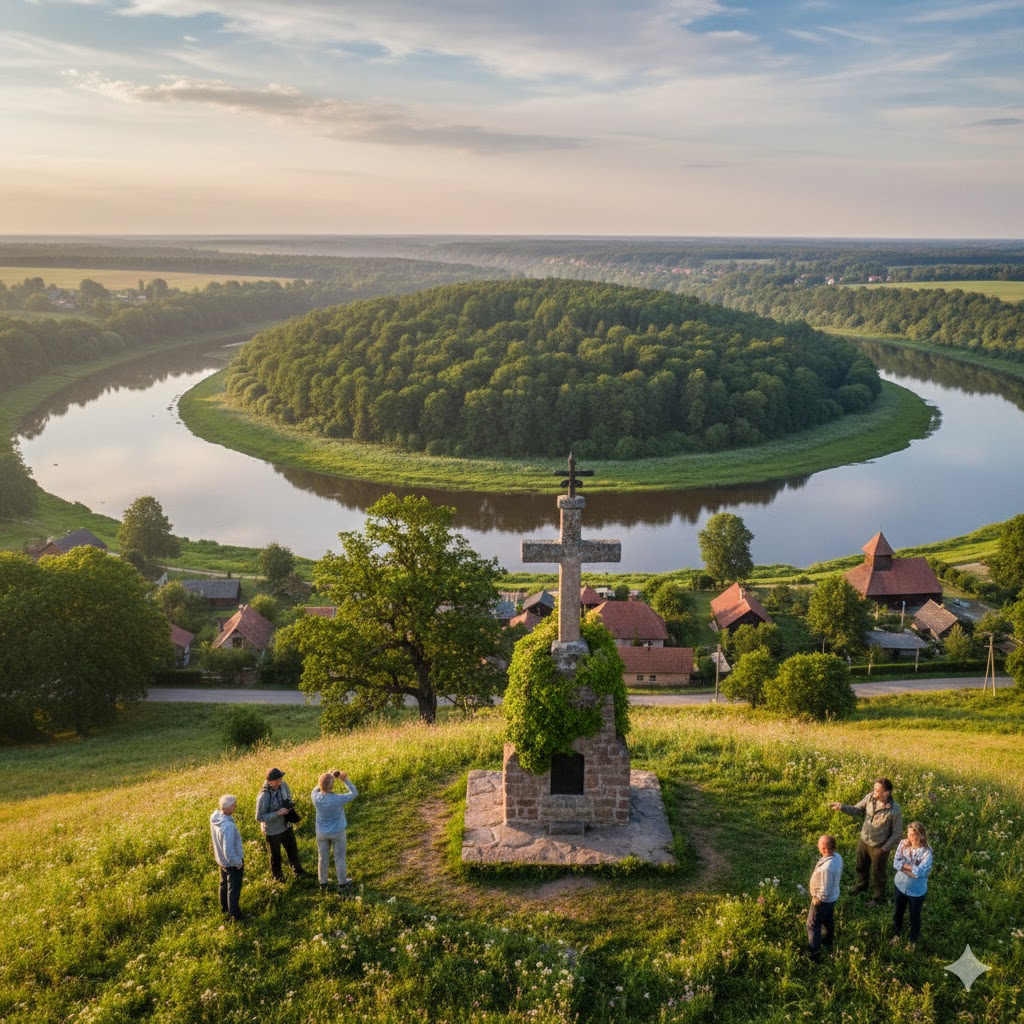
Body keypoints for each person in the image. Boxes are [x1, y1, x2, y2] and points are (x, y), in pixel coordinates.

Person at [830, 777, 902, 906]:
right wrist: (842, 807)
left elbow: (897, 833)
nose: (874, 791)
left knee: (878, 874)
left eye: (877, 790)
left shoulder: (894, 810)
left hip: (880, 846)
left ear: (886, 793)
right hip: (864, 840)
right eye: (874, 788)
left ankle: (878, 898)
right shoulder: (869, 798)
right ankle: (861, 886)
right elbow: (857, 809)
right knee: (861, 866)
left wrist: (886, 848)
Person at [255, 767, 306, 881]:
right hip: (273, 831)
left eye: (280, 779)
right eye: (277, 781)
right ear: (269, 782)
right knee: (275, 856)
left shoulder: (284, 786)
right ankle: (278, 878)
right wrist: (278, 813)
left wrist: (290, 805)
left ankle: (298, 871)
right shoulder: (264, 795)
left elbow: (289, 797)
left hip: (286, 825)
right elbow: (259, 817)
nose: (280, 782)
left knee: (293, 850)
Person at [311, 770, 359, 892]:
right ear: (332, 786)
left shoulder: (315, 797)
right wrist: (345, 780)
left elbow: (317, 788)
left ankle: (323, 883)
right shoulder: (337, 799)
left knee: (322, 857)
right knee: (339, 857)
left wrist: (327, 777)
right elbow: (354, 793)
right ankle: (342, 883)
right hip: (337, 832)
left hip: (321, 833)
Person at [891, 821, 933, 949]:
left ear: (920, 836)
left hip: (916, 891)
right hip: (900, 885)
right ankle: (896, 935)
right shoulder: (903, 844)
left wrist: (904, 867)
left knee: (914, 916)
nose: (910, 837)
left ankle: (912, 941)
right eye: (908, 833)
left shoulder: (927, 853)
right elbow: (895, 863)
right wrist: (910, 869)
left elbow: (918, 873)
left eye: (913, 834)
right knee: (898, 912)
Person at [806, 834, 842, 961]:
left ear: (825, 849)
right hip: (833, 897)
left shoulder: (827, 868)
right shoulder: (837, 857)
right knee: (827, 920)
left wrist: (817, 900)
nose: (818, 847)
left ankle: (814, 953)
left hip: (824, 900)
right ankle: (828, 942)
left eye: (820, 846)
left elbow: (825, 889)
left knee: (813, 925)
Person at [210, 794, 244, 921]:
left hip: (220, 860)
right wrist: (238, 863)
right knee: (233, 889)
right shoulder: (228, 826)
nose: (236, 806)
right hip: (231, 863)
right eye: (234, 805)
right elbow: (228, 850)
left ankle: (225, 909)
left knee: (224, 885)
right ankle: (235, 916)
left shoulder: (215, 818)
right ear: (228, 808)